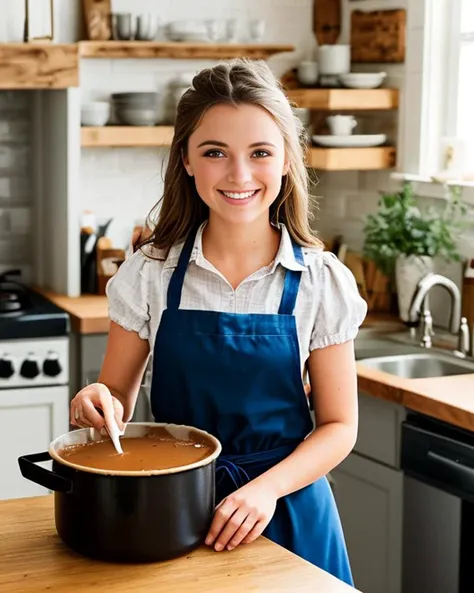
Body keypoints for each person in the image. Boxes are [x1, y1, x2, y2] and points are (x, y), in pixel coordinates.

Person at [70, 58, 367, 586]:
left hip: (287, 509)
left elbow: (340, 427)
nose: (239, 175)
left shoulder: (321, 281)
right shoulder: (151, 272)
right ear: (185, 159)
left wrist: (265, 490)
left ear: (285, 162)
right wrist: (98, 400)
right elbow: (116, 394)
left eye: (260, 153)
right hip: (175, 508)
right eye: (214, 153)